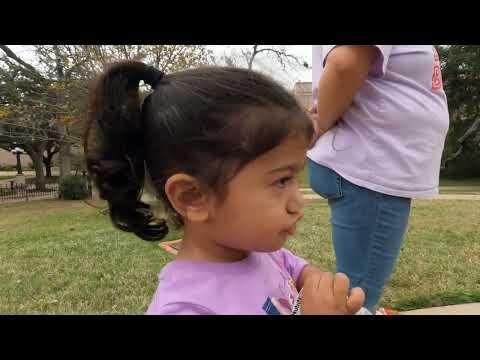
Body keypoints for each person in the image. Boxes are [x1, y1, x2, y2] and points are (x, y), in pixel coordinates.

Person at [84, 61, 365, 315]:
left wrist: (318, 284)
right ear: (193, 197)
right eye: (281, 180)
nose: (297, 202)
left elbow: (297, 269)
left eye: (294, 178)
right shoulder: (186, 307)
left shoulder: (259, 251)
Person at [307, 45, 450, 312]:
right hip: (370, 169)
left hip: (374, 167)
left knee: (357, 288)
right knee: (358, 297)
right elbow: (345, 64)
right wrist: (319, 123)